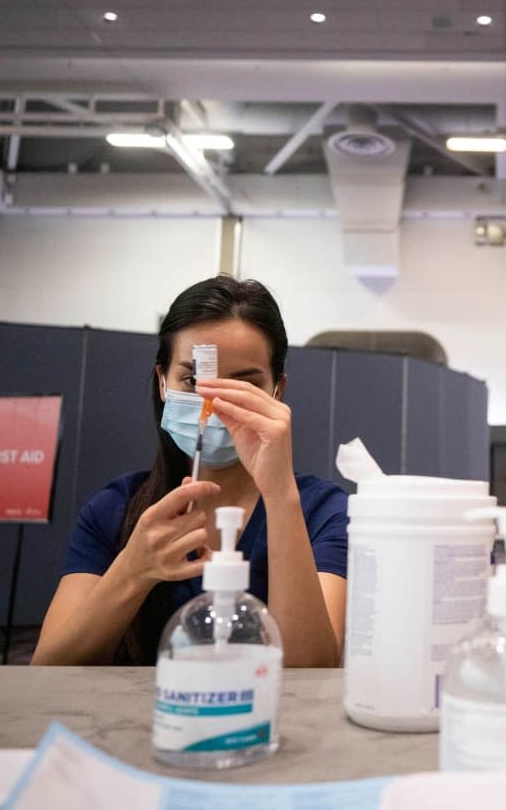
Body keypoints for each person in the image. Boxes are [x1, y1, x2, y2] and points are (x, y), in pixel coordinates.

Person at [33, 276, 347, 667]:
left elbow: (311, 670)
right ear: (163, 381)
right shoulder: (115, 510)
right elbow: (48, 670)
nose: (212, 403)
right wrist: (135, 570)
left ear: (276, 391)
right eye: (193, 380)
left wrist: (280, 495)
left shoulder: (322, 512)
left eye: (244, 385)